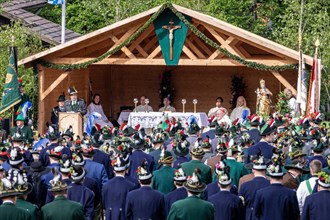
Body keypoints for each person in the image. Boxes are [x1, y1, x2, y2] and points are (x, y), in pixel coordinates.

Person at [103, 156, 135, 220]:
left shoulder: (106, 185)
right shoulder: (131, 186)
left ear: (114, 171)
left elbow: (104, 204)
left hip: (110, 216)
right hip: (125, 216)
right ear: (125, 170)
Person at [239, 155, 270, 220]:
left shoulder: (245, 186)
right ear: (265, 170)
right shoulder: (270, 185)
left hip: (249, 217)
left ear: (253, 170)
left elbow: (240, 205)